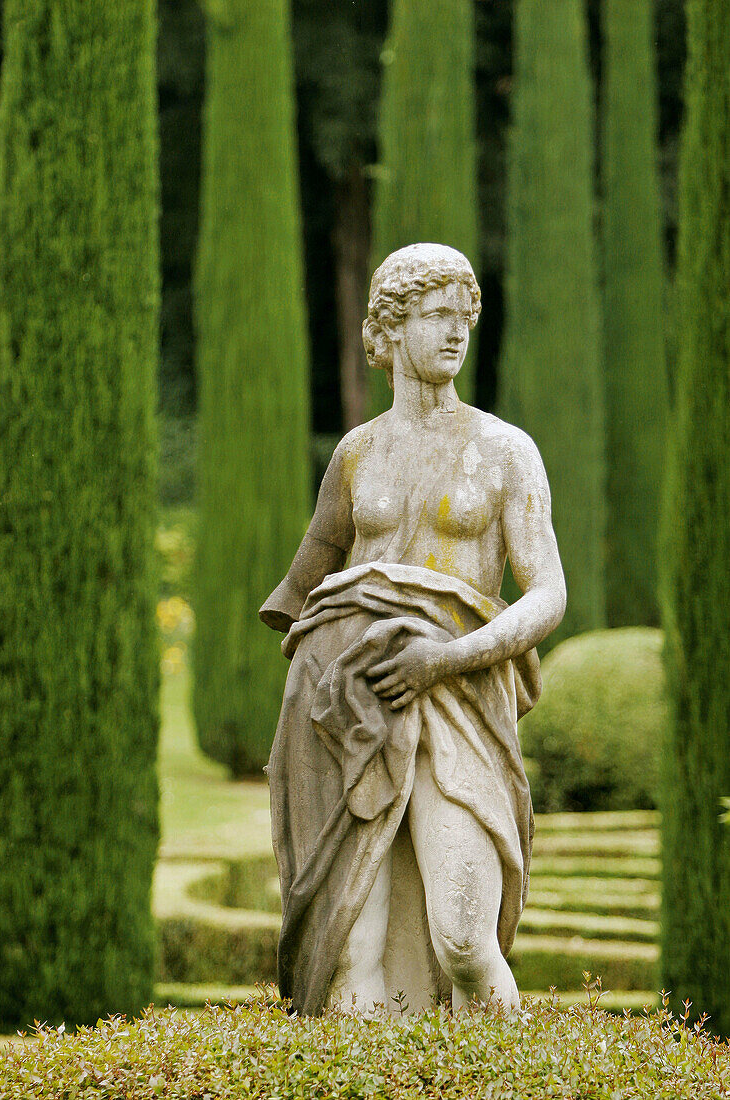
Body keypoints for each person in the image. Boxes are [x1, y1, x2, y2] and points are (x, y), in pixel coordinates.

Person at [260, 243, 566, 1016]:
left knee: (464, 941)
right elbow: (305, 586)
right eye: (436, 317)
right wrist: (315, 673)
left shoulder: (503, 450)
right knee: (346, 946)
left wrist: (449, 656)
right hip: (354, 711)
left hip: (457, 696)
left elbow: (548, 594)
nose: (456, 332)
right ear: (388, 332)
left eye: (464, 317)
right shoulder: (357, 453)